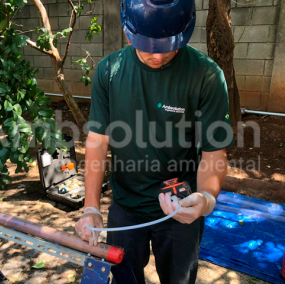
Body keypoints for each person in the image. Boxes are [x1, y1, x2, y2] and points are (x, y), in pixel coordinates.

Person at [74, 0, 235, 283]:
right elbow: (97, 141)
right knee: (124, 278)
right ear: (127, 31)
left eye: (168, 45)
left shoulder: (207, 76)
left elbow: (214, 153)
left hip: (181, 207)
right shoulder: (109, 71)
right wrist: (91, 208)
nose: (157, 57)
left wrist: (207, 198)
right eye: (148, 45)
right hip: (126, 204)